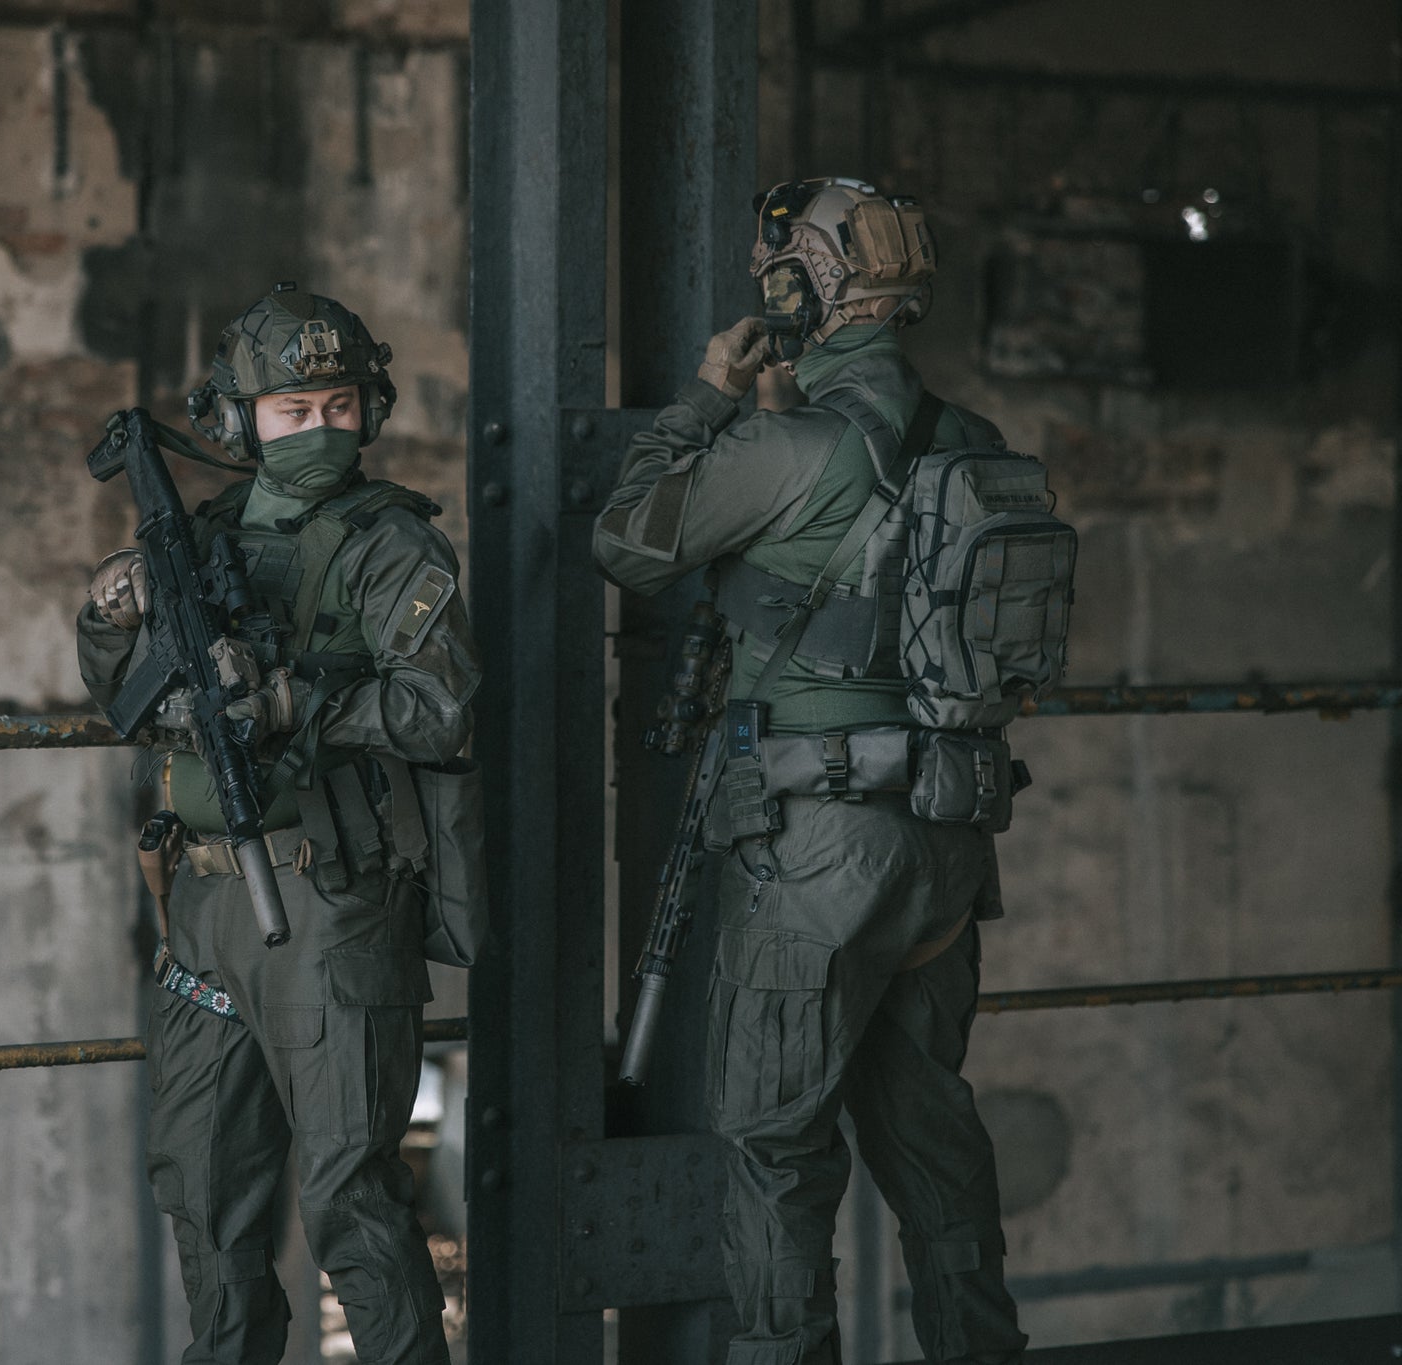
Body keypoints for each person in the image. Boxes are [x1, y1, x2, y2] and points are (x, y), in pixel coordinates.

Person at [593, 178, 1031, 1365]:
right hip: (944, 837)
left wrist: (708, 395)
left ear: (809, 285)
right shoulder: (971, 444)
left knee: (773, 1149)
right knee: (931, 1136)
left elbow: (625, 541)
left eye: (773, 269)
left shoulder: (782, 445)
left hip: (816, 849)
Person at [77, 283, 476, 1365]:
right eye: (294, 411)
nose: (319, 430)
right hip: (202, 908)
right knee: (202, 1187)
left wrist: (299, 703)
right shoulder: (200, 539)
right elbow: (120, 700)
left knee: (350, 1197)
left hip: (328, 901)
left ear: (369, 408)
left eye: (338, 407)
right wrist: (111, 615)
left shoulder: (391, 543)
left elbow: (442, 709)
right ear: (239, 420)